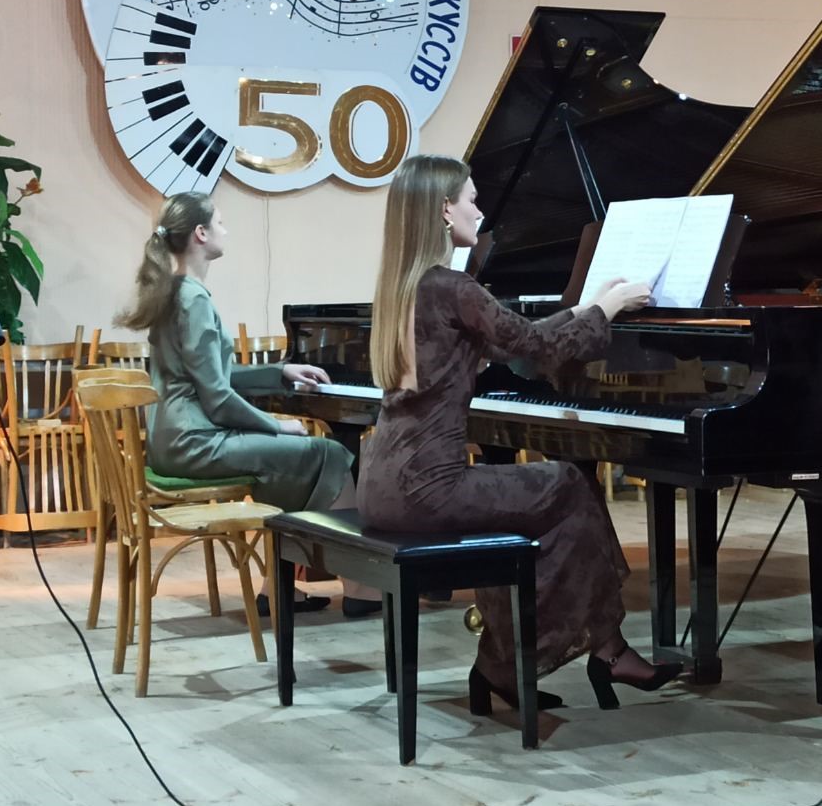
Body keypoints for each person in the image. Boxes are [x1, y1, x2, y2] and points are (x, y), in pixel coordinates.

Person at [358, 154, 683, 711]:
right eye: (471, 199)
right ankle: (582, 653)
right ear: (444, 209)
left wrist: (586, 308)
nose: (479, 211)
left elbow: (519, 341)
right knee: (570, 485)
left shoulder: (406, 287)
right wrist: (607, 308)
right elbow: (540, 348)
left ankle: (524, 663)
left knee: (532, 507)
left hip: (383, 485)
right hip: (429, 489)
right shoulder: (453, 287)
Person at [118, 191, 378, 616]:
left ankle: (278, 589)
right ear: (201, 234)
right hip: (195, 442)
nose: (226, 230)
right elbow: (218, 399)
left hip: (174, 439)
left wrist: (281, 371)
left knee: (300, 457)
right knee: (326, 453)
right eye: (220, 222)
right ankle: (362, 589)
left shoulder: (173, 292)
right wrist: (277, 425)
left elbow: (212, 376)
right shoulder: (193, 299)